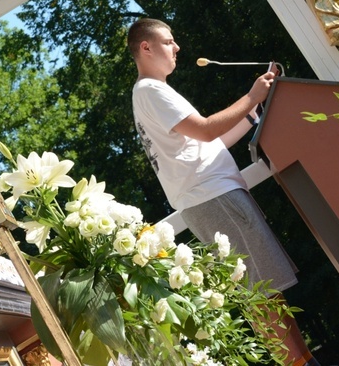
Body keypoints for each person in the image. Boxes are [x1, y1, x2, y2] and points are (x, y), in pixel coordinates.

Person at [128, 18, 320, 366]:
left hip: (209, 196)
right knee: (260, 295)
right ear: (146, 47)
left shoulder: (150, 93)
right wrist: (252, 95)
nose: (177, 48)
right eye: (169, 42)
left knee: (265, 292)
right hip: (212, 197)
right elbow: (204, 131)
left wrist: (251, 114)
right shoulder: (150, 90)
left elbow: (205, 145)